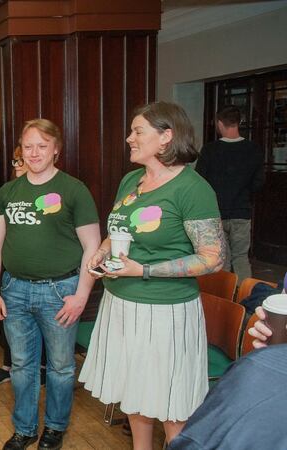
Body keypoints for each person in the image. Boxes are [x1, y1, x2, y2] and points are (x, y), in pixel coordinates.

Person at [79, 102, 225, 449]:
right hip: (121, 305)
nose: (129, 138)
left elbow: (213, 258)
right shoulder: (132, 180)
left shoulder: (193, 188)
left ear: (166, 137)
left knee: (171, 405)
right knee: (135, 396)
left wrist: (142, 269)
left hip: (165, 312)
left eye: (138, 131)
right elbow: (118, 230)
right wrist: (100, 252)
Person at [0, 119, 100, 450]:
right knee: (22, 365)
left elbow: (93, 247)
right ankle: (24, 429)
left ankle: (54, 428)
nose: (34, 153)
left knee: (62, 367)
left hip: (60, 292)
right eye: (28, 146)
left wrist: (81, 294)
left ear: (56, 150)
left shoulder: (74, 190)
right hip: (14, 291)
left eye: (42, 146)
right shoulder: (7, 192)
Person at [195, 105, 265, 282]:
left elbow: (199, 181)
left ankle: (224, 298)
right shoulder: (253, 149)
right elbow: (259, 182)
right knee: (241, 257)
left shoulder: (210, 150)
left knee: (221, 259)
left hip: (215, 212)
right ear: (239, 122)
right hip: (242, 211)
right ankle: (244, 297)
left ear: (220, 123)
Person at [0, 145, 27, 388]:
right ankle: (9, 366)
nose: (18, 165)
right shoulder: (7, 193)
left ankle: (41, 369)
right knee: (11, 325)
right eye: (15, 161)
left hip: (46, 277)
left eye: (21, 160)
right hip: (11, 272)